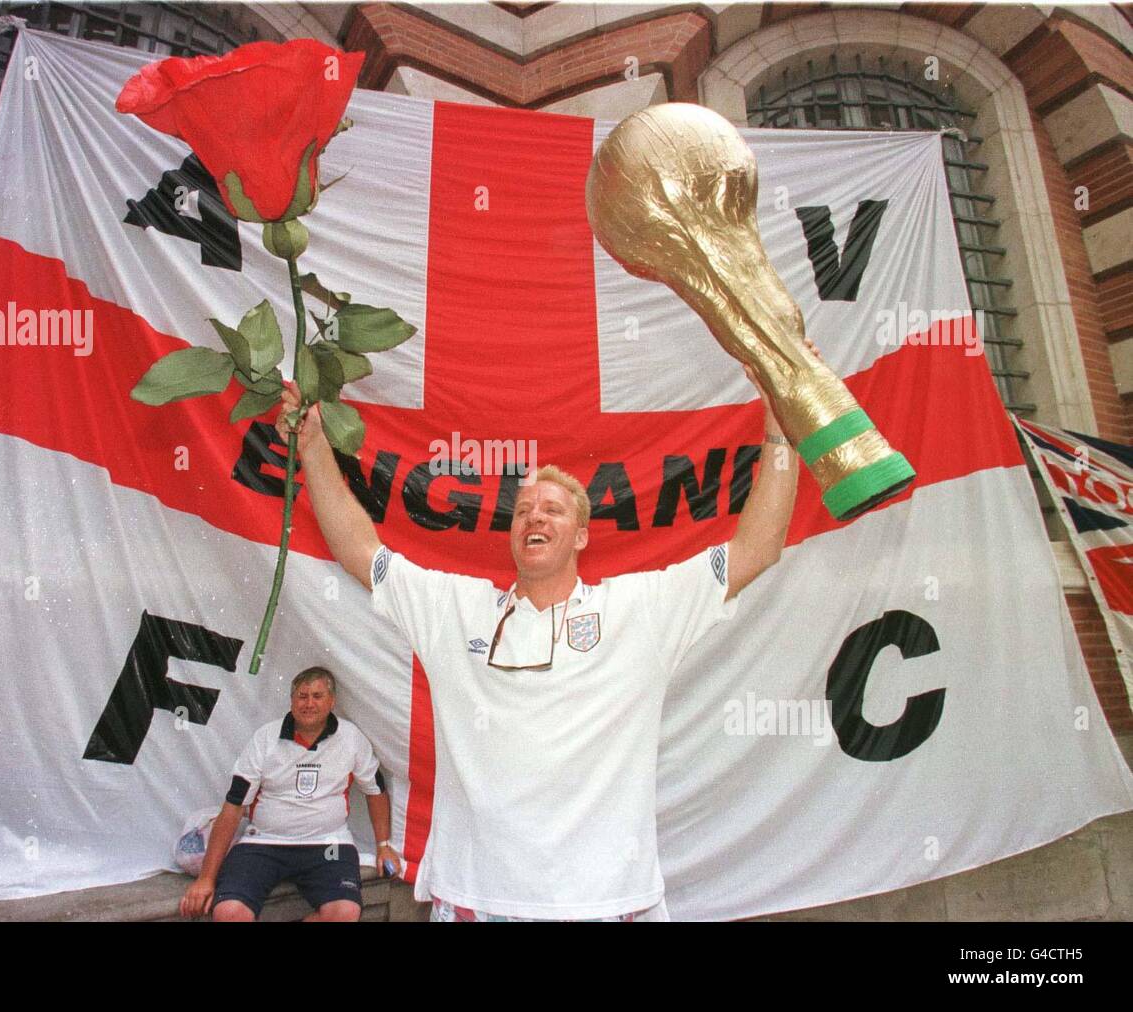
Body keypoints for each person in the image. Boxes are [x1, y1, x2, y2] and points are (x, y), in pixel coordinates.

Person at [277, 342, 819, 921]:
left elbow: (756, 549)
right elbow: (361, 552)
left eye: (553, 509)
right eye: (523, 510)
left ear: (582, 535)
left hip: (608, 904)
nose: (534, 516)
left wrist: (781, 431)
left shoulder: (641, 608)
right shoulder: (454, 608)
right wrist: (312, 446)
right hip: (476, 902)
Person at [180, 666, 402, 922]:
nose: (309, 703)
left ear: (332, 701)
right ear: (292, 700)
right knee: (228, 912)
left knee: (344, 913)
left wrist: (383, 846)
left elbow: (375, 791)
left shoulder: (350, 738)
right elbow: (234, 805)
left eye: (317, 696)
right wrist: (206, 879)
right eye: (302, 696)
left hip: (328, 844)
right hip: (263, 843)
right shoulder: (265, 738)